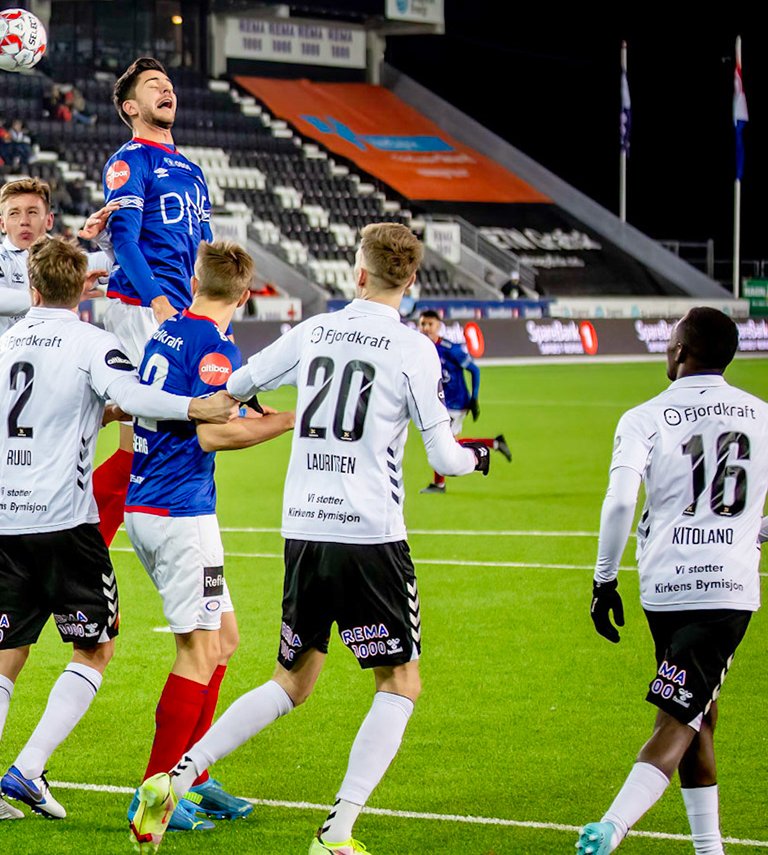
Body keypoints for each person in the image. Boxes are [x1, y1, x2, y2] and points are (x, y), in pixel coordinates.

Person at [128, 224, 493, 855]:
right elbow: (444, 455)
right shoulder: (414, 349)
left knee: (290, 681)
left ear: (357, 273)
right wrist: (476, 460)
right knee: (399, 683)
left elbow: (233, 388)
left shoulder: (314, 331)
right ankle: (337, 830)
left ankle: (177, 776)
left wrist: (278, 413)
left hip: (302, 530)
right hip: (369, 534)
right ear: (410, 281)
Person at [0, 238, 236, 823]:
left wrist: (97, 409)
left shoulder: (9, 339)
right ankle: (29, 768)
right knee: (94, 648)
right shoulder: (94, 342)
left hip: (8, 520)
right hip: (65, 521)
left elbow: (50, 404)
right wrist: (194, 407)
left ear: (33, 290)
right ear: (84, 288)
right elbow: (132, 394)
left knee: (4, 653)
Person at [574, 308, 768, 855]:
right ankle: (614, 827)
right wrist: (757, 533)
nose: (666, 348)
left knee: (690, 712)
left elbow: (619, 502)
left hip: (663, 586)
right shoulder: (765, 416)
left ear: (683, 351)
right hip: (726, 588)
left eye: (670, 341)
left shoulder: (643, 417)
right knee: (689, 713)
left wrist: (603, 581)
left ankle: (682, 843)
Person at [123, 242, 295, 834]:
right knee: (197, 653)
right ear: (245, 297)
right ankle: (155, 790)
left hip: (153, 502)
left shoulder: (166, 330)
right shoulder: (216, 348)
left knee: (223, 639)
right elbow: (211, 435)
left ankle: (190, 774)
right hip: (179, 511)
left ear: (196, 280)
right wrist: (290, 421)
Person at [0, 179, 115, 732]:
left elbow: (99, 279)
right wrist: (83, 270)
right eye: (13, 213)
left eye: (32, 212)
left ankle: (7, 646)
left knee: (21, 536)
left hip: (35, 423)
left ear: (48, 218)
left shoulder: (62, 266)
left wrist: (87, 262)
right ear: (1, 223)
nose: (22, 221)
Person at [93, 57, 212, 549]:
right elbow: (124, 242)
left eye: (168, 85)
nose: (167, 91)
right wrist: (159, 300)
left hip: (181, 311)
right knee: (170, 426)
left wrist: (207, 309)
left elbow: (203, 249)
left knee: (142, 441)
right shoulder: (129, 161)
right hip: (143, 309)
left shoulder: (194, 170)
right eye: (153, 86)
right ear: (131, 106)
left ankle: (84, 541)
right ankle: (94, 538)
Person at [415, 309, 511, 494]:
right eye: (423, 324)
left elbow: (475, 370)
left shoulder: (451, 349)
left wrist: (474, 398)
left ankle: (441, 483)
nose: (426, 328)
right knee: (446, 441)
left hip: (456, 404)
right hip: (441, 402)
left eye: (430, 324)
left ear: (438, 326)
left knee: (444, 442)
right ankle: (494, 443)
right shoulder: (422, 347)